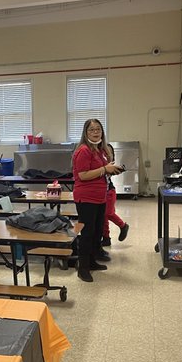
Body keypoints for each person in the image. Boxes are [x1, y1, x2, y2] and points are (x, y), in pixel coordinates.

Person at [72, 119, 122, 282]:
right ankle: (83, 268)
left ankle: (92, 262)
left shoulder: (99, 150)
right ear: (85, 133)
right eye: (91, 130)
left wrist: (111, 170)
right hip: (86, 198)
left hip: (100, 197)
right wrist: (104, 169)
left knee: (97, 232)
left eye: (98, 129)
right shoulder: (84, 150)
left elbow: (100, 171)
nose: (95, 132)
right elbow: (83, 175)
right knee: (87, 233)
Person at [101, 143, 129, 247]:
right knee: (103, 216)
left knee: (108, 213)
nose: (108, 155)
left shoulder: (111, 166)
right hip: (101, 192)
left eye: (110, 153)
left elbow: (114, 170)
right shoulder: (101, 164)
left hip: (110, 192)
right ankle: (106, 238)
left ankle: (123, 226)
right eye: (105, 152)